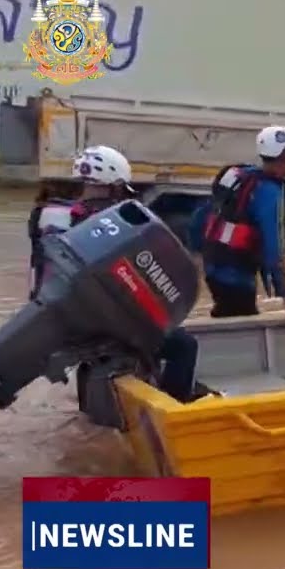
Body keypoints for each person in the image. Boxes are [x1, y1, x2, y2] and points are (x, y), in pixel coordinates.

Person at [30, 146, 199, 402]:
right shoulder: (111, 222)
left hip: (68, 318)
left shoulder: (53, 216)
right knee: (184, 345)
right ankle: (176, 406)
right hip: (105, 321)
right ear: (114, 184)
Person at [191, 125, 285, 319]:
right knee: (239, 322)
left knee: (224, 311)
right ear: (284, 157)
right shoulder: (270, 191)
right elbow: (274, 249)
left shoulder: (236, 174)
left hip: (213, 268)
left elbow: (200, 218)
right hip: (236, 277)